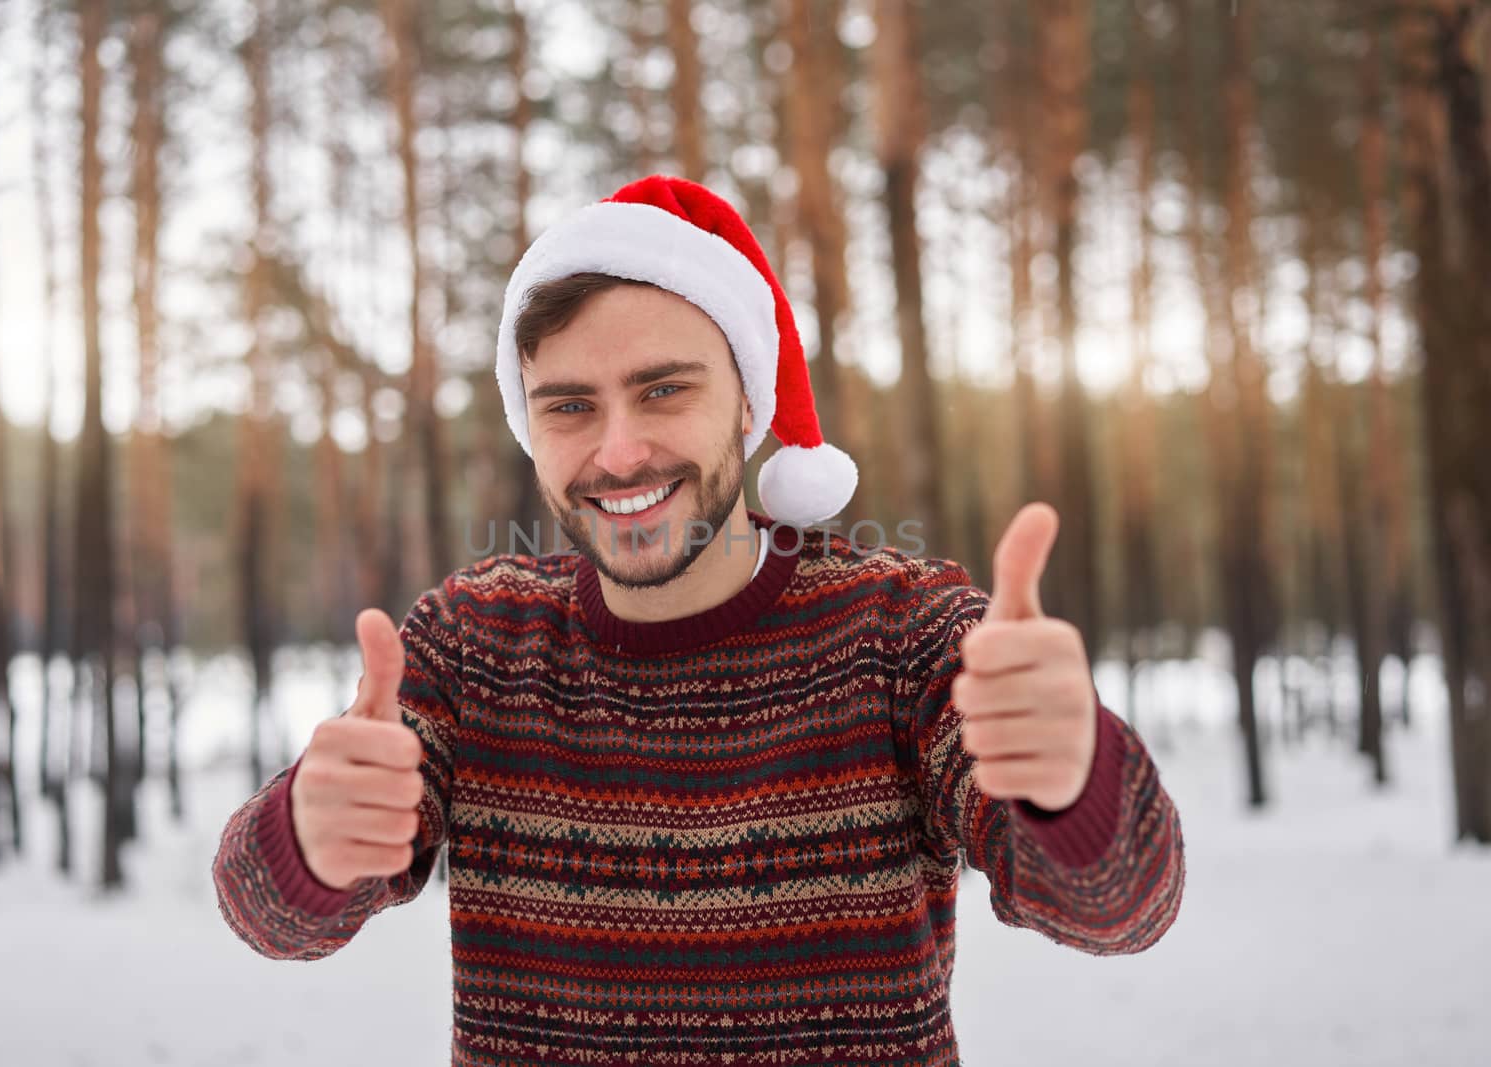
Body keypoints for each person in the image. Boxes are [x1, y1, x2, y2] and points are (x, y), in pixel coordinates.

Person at [213, 175, 1185, 1065]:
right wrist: (308, 835)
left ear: (747, 404)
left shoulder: (905, 632)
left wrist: (1073, 781)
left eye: (663, 388)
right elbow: (267, 917)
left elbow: (1123, 910)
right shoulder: (474, 641)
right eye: (568, 406)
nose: (619, 450)